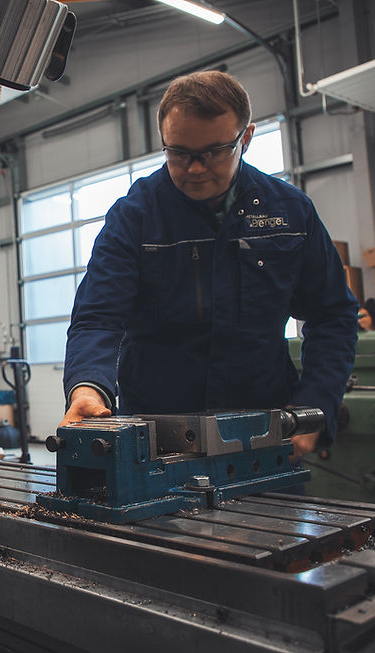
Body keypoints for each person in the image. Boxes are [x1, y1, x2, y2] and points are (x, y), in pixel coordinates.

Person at [60, 71, 358, 462]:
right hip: (155, 438)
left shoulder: (290, 213)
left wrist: (316, 406)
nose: (196, 168)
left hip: (263, 430)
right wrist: (88, 387)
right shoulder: (135, 217)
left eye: (215, 151)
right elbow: (98, 317)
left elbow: (333, 314)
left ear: (246, 138)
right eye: (179, 153)